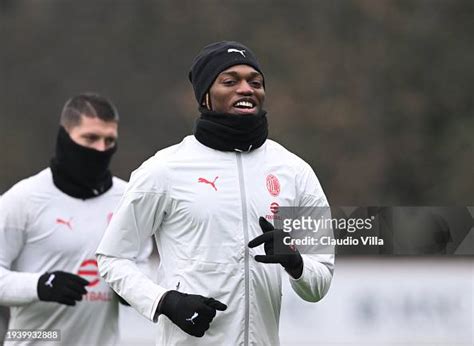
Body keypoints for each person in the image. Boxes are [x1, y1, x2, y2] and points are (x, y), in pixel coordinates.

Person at [97, 41, 335, 345]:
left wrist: (295, 262)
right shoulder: (164, 169)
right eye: (230, 81)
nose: (247, 89)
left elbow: (320, 282)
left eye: (255, 82)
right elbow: (112, 257)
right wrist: (165, 301)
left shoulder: (295, 171)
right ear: (205, 96)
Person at [0, 93, 126, 345]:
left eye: (109, 140)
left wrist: (134, 290)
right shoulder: (23, 198)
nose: (101, 149)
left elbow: (141, 267)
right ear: (65, 137)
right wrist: (40, 285)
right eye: (90, 138)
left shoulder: (128, 198)